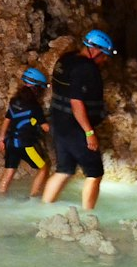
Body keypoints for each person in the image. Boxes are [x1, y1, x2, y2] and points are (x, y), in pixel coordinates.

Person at [43, 29, 116, 211]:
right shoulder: (85, 68)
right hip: (75, 128)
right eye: (103, 55)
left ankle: (43, 210)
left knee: (64, 170)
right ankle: (88, 216)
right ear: (95, 50)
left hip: (59, 124)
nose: (104, 60)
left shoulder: (65, 59)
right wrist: (89, 132)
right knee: (94, 173)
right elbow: (77, 103)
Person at [0, 67, 50, 197]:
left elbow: (7, 120)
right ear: (37, 88)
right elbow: (45, 128)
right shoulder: (34, 106)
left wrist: (1, 139)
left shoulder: (14, 101)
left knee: (9, 172)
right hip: (26, 145)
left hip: (10, 143)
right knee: (44, 168)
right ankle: (33, 197)